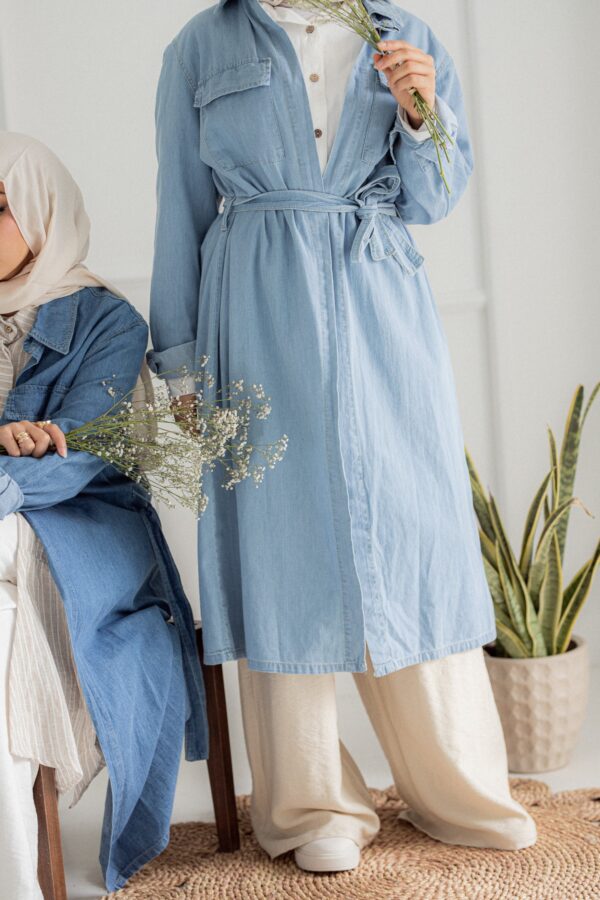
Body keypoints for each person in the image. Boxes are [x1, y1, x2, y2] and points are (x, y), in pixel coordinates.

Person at [148, 0, 537, 874]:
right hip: (254, 309)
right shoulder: (201, 45)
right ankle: (311, 802)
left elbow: (436, 197)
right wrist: (181, 366)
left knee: (413, 534)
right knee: (281, 547)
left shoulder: (407, 34)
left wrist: (419, 112)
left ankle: (459, 786)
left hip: (379, 300)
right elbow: (180, 205)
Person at [0, 131, 208, 897]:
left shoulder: (108, 322)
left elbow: (75, 458)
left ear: (43, 210)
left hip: (81, 531)